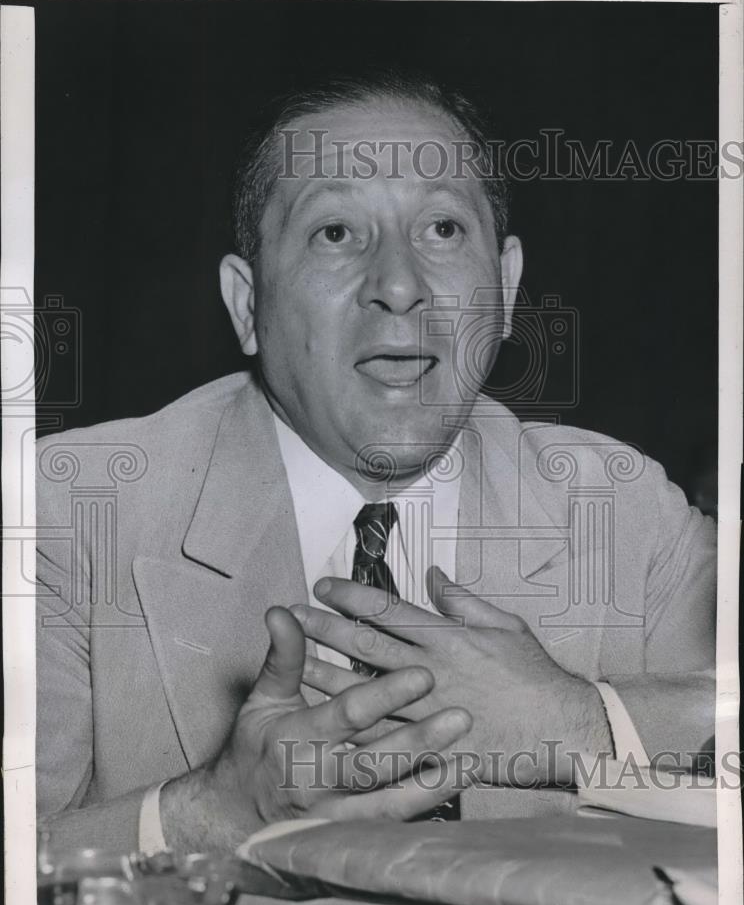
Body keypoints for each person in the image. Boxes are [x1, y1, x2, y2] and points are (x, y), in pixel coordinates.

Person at [36, 71, 716, 858]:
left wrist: (580, 721)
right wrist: (198, 817)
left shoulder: (625, 510)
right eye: (335, 233)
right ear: (247, 304)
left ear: (505, 286)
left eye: (443, 231)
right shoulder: (69, 514)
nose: (399, 287)